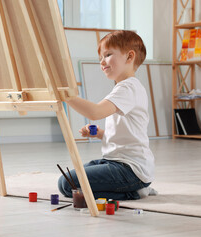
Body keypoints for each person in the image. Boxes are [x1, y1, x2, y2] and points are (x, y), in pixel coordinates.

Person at [58, 30, 156, 200]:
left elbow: (95, 112)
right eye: (100, 58)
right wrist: (99, 134)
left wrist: (66, 96)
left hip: (130, 170)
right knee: (66, 182)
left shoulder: (128, 88)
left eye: (108, 55)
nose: (102, 62)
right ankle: (131, 189)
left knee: (69, 185)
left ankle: (133, 192)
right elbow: (124, 135)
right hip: (115, 162)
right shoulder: (124, 88)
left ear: (129, 57)